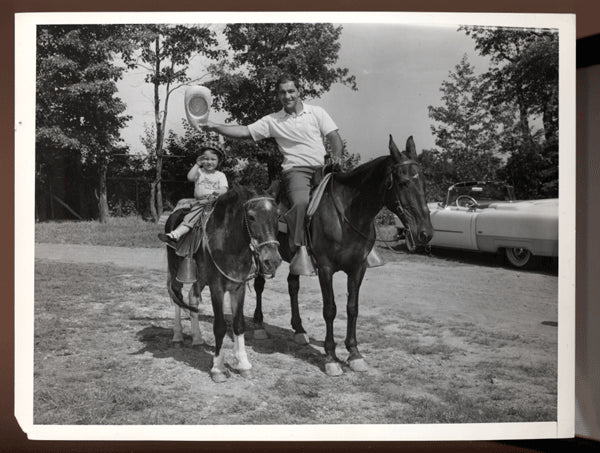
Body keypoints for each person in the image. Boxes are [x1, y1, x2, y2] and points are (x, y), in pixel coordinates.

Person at [198, 73, 344, 274]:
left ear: (299, 92)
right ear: (278, 96)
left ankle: (361, 247)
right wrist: (215, 126)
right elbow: (244, 131)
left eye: (291, 91)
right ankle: (300, 250)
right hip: (296, 170)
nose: (288, 96)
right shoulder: (273, 120)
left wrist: (336, 158)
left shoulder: (316, 112)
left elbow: (334, 137)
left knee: (348, 197)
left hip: (323, 167)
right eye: (283, 92)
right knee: (301, 203)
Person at [158, 146, 228, 248]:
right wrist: (197, 165)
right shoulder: (199, 172)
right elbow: (190, 177)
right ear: (201, 160)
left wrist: (212, 197)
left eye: (213, 159)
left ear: (219, 161)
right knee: (192, 214)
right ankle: (176, 235)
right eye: (206, 159)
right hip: (200, 202)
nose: (209, 162)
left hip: (215, 202)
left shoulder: (220, 175)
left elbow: (223, 189)